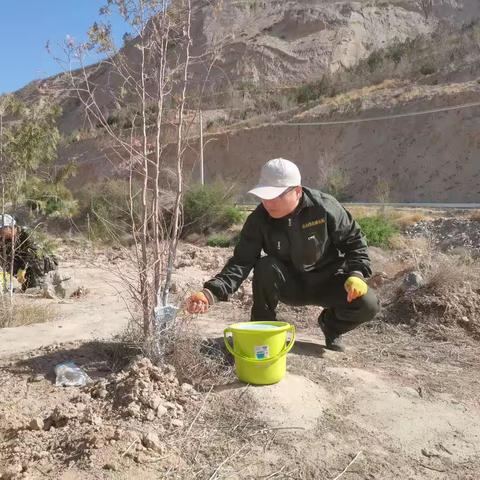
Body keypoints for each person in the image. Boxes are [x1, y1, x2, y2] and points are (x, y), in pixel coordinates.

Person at [186, 158, 379, 351]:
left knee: (368, 304)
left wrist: (356, 274)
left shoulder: (325, 207)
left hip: (329, 282)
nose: (268, 202)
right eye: (264, 195)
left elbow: (355, 242)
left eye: (276, 196)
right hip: (291, 285)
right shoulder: (259, 220)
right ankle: (261, 332)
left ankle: (331, 326)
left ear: (297, 191)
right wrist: (210, 293)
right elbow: (241, 262)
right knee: (265, 266)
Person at [0, 214, 58, 290]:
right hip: (24, 263)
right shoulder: (3, 238)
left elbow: (35, 253)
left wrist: (23, 269)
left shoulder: (28, 234)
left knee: (35, 256)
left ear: (10, 227)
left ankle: (40, 282)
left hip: (44, 263)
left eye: (1, 229)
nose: (0, 232)